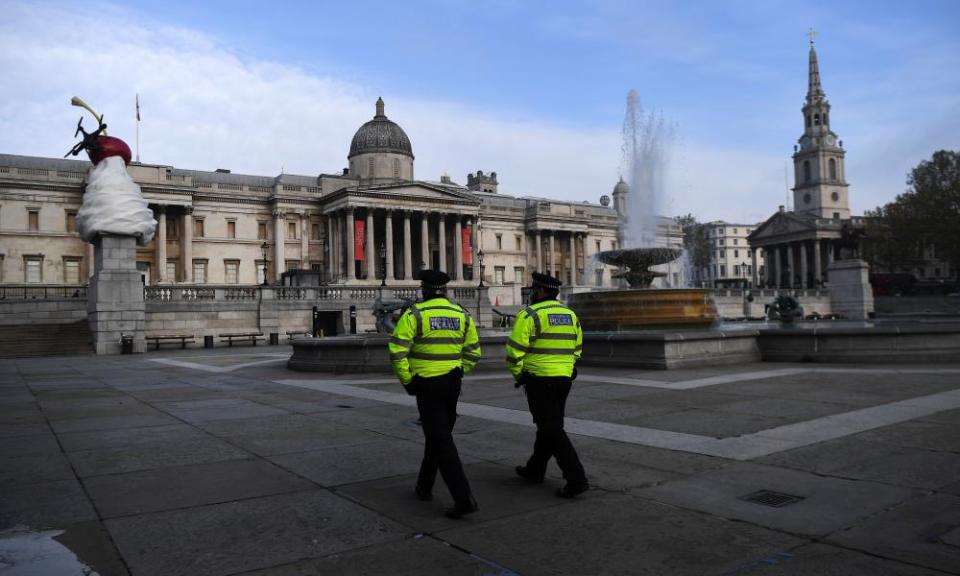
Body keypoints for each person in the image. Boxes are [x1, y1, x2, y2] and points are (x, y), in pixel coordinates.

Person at [389, 269, 481, 518]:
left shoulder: (415, 314)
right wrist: (460, 371)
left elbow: (397, 351)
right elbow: (473, 351)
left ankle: (463, 498)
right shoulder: (461, 314)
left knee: (440, 439)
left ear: (425, 289)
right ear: (446, 289)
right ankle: (424, 485)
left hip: (426, 384)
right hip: (452, 383)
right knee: (438, 435)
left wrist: (408, 381)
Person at [507, 272, 588, 498]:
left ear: (541, 291)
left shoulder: (530, 314)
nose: (532, 293)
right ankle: (535, 469)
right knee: (549, 426)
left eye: (534, 289)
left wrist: (519, 375)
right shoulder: (570, 314)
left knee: (551, 429)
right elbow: (578, 347)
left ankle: (576, 478)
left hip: (539, 379)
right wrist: (568, 367)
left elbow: (514, 351)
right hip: (564, 379)